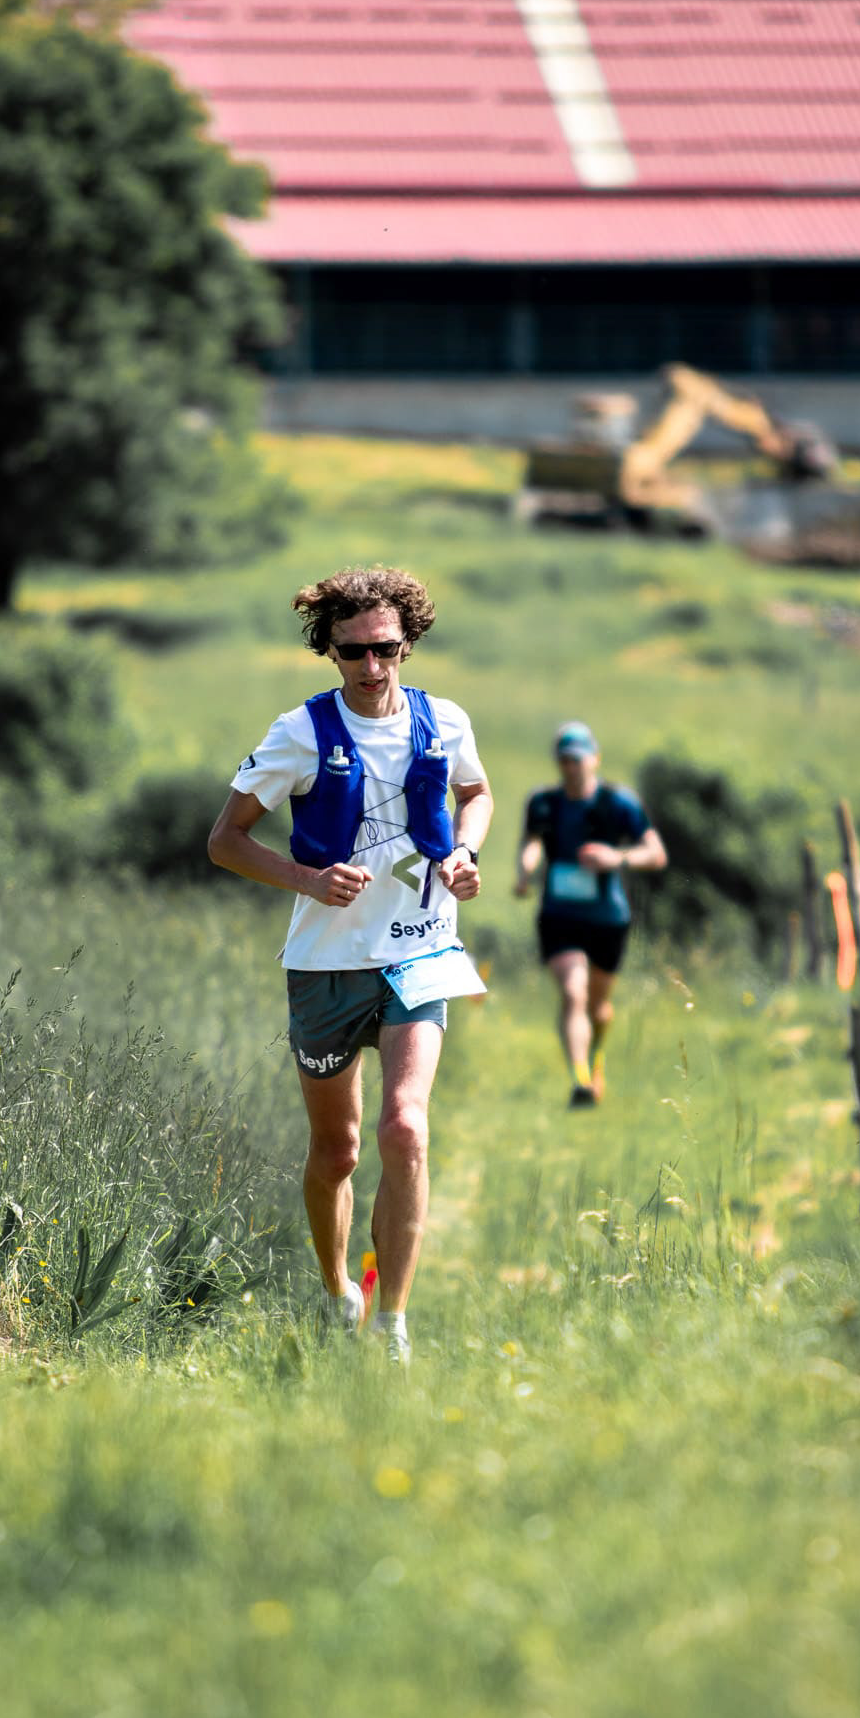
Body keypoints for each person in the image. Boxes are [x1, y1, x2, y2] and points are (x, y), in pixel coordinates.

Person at [208, 566, 492, 1364]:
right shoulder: (299, 733)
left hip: (421, 953)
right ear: (327, 650)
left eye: (385, 650)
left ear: (409, 643)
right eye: (352, 652)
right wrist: (307, 880)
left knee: (404, 1128)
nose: (371, 667)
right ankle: (339, 1290)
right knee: (338, 1152)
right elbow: (224, 841)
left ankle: (391, 1323)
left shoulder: (445, 720)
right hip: (326, 964)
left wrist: (465, 853)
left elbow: (476, 793)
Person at [514, 721, 667, 1108]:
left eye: (578, 760)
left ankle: (596, 1060)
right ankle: (580, 1080)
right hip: (559, 915)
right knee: (573, 993)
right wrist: (525, 871)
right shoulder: (544, 803)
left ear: (595, 759)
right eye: (565, 760)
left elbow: (655, 853)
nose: (571, 767)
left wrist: (617, 857)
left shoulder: (619, 803)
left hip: (607, 919)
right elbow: (532, 843)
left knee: (598, 1007)